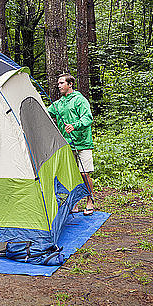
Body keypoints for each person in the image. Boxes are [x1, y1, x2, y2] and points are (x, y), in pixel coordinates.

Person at [47, 73, 95, 215]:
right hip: (67, 144)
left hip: (83, 143)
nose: (59, 85)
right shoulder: (59, 103)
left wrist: (75, 125)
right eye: (58, 83)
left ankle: (90, 201)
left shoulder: (80, 100)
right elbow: (46, 113)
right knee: (71, 175)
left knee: (84, 174)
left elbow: (88, 118)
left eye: (62, 83)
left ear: (70, 84)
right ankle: (74, 203)